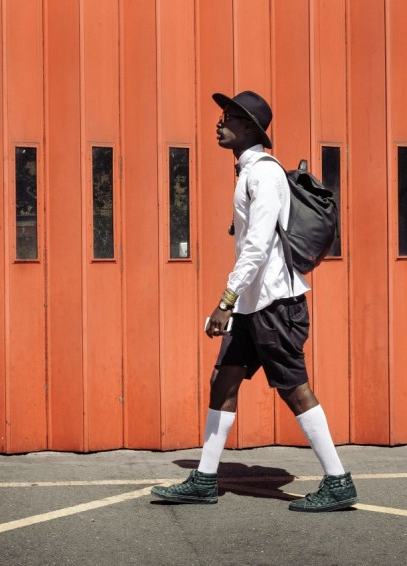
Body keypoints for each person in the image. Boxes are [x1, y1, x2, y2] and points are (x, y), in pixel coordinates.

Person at [150, 90, 357, 512]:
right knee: (223, 381)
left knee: (295, 389)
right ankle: (205, 478)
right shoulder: (249, 172)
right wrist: (236, 303)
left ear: (249, 128)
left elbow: (258, 245)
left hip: (275, 304)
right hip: (253, 305)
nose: (219, 123)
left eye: (227, 117)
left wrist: (225, 299)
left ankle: (338, 480)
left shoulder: (263, 174)